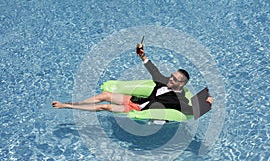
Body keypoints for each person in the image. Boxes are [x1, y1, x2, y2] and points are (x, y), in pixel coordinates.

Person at [52, 46, 213, 114]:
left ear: (182, 84)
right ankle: (73, 102)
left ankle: (66, 106)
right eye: (171, 76)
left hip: (138, 110)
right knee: (105, 94)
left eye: (175, 79)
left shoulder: (179, 100)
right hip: (137, 100)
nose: (170, 79)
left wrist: (208, 103)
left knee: (104, 106)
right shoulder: (164, 81)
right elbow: (153, 70)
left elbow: (191, 111)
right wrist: (142, 55)